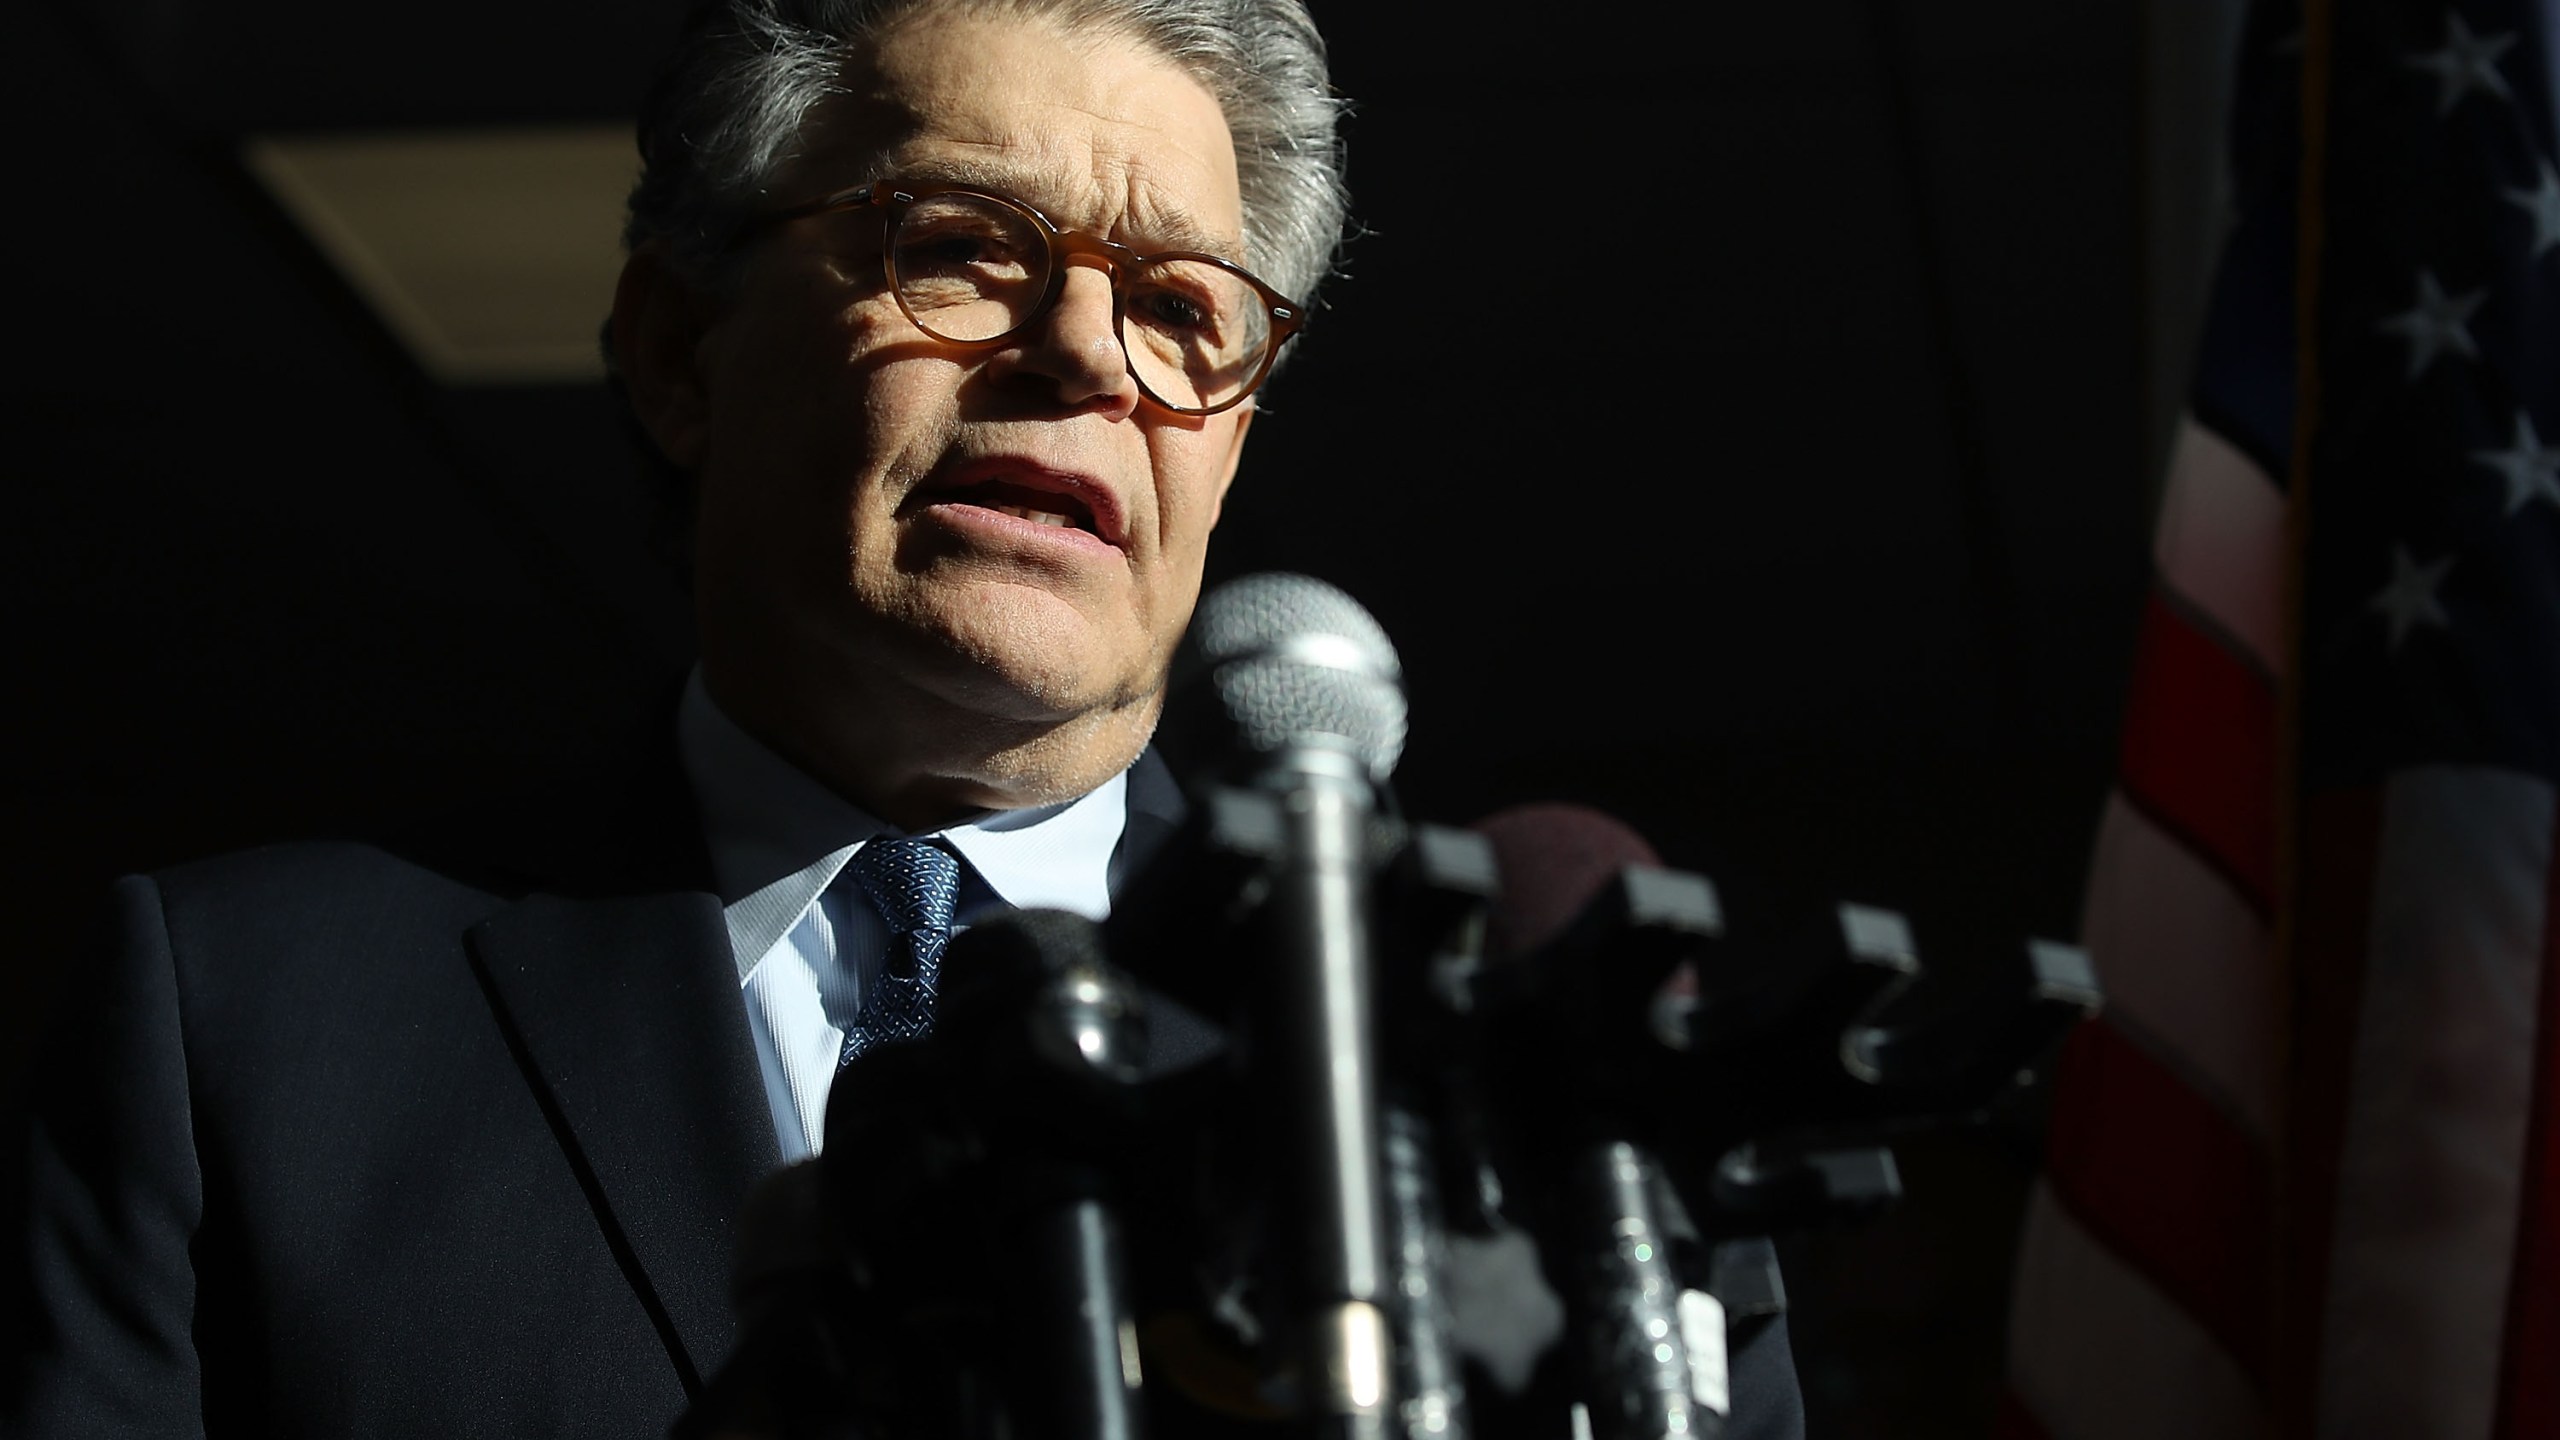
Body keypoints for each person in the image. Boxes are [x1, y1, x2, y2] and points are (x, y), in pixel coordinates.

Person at [5, 1, 1802, 1434]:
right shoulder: (235, 1022)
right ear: (675, 350)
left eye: (1183, 310)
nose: (1086, 355)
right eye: (960, 248)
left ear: (1236, 440)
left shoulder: (1546, 1084)